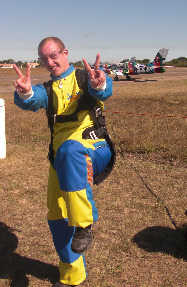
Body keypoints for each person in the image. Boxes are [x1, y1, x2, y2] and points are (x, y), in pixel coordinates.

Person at [13, 36, 114, 287]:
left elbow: (103, 88)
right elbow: (33, 99)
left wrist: (100, 85)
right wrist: (25, 94)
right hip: (60, 160)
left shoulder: (83, 78)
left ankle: (84, 223)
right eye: (44, 58)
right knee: (56, 216)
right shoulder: (47, 90)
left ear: (65, 52)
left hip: (95, 149)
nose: (50, 61)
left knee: (70, 150)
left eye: (54, 55)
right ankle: (71, 275)